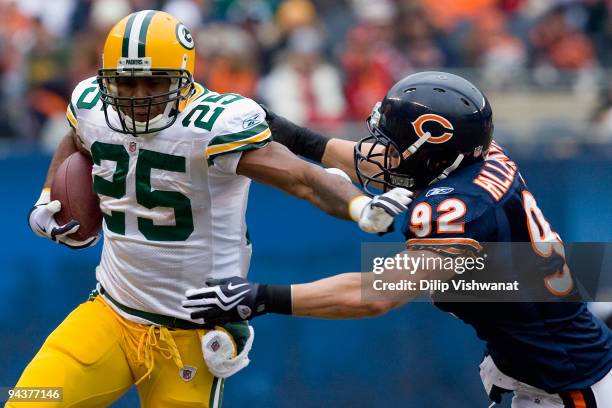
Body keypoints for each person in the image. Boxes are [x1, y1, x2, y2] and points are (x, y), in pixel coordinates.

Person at [15, 10, 412, 408]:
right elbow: (77, 136)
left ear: (184, 79)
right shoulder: (93, 105)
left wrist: (360, 206)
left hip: (191, 332)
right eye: (125, 82)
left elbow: (300, 177)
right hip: (111, 311)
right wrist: (46, 196)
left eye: (152, 82)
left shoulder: (211, 125)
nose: (136, 96)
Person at [185, 72, 612, 407]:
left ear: (432, 151)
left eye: (392, 144)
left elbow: (377, 294)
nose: (377, 151)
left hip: (567, 387)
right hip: (553, 371)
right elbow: (373, 163)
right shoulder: (476, 159)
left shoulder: (457, 209)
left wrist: (261, 296)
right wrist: (282, 129)